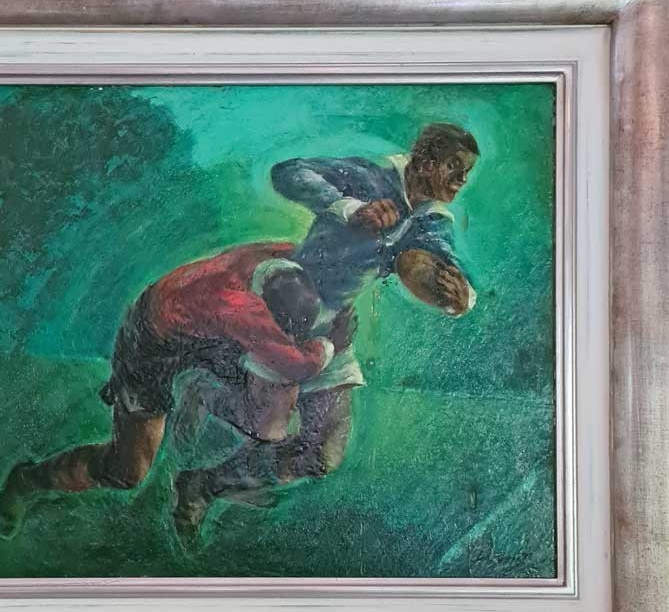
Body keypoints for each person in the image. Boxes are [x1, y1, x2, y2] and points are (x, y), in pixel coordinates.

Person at [170, 123, 480, 537]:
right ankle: (202, 392)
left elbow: (444, 261)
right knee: (265, 427)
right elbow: (288, 172)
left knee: (322, 455)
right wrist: (349, 208)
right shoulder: (369, 176)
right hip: (289, 304)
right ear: (425, 161)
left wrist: (462, 297)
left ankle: (205, 484)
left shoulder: (433, 220)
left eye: (466, 171)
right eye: (454, 166)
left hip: (333, 328)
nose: (461, 179)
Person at [0, 242, 354, 539]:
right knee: (127, 471)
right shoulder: (239, 308)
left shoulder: (294, 255)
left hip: (211, 333)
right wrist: (329, 345)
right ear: (262, 306)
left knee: (301, 435)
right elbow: (298, 364)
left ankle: (215, 477)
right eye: (283, 330)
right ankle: (28, 480)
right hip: (154, 344)